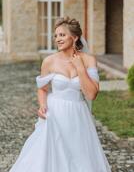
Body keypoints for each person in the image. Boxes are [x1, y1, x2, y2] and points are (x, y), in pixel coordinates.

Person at [9, 16, 111, 172]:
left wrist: (80, 69)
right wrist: (43, 106)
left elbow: (91, 95)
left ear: (75, 37)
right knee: (51, 154)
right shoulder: (49, 61)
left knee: (79, 155)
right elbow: (42, 88)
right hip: (54, 112)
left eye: (62, 35)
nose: (57, 39)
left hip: (78, 114)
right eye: (56, 36)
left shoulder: (89, 60)